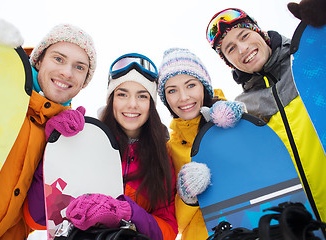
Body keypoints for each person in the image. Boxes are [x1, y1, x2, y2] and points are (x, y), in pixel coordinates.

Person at [0, 19, 97, 239]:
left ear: (84, 80)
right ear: (38, 60)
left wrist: (56, 148)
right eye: (58, 59)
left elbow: (37, 218)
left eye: (79, 67)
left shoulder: (65, 132)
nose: (67, 72)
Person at [205, 8, 326, 223]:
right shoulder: (244, 109)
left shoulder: (308, 62)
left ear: (259, 33)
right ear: (228, 61)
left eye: (245, 35)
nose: (243, 49)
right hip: (304, 227)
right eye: (230, 49)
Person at [63, 53, 178, 240]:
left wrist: (128, 212)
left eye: (142, 96)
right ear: (111, 100)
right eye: (122, 94)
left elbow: (168, 231)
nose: (132, 105)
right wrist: (58, 143)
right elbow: (43, 216)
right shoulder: (88, 142)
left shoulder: (162, 155)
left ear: (151, 104)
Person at [157, 48, 245, 239]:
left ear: (204, 86)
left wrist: (245, 124)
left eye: (190, 85)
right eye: (172, 90)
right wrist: (188, 197)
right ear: (165, 99)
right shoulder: (168, 151)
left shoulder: (231, 122)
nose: (183, 97)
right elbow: (174, 225)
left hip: (249, 228)